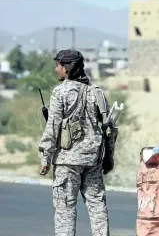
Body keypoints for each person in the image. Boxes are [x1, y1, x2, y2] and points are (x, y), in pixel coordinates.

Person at [38, 49, 117, 236]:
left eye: (58, 65)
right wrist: (109, 157)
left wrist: (45, 158)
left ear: (67, 68)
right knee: (97, 207)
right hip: (93, 160)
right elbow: (110, 128)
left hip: (67, 162)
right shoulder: (96, 92)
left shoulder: (60, 92)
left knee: (65, 209)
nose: (56, 69)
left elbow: (53, 128)